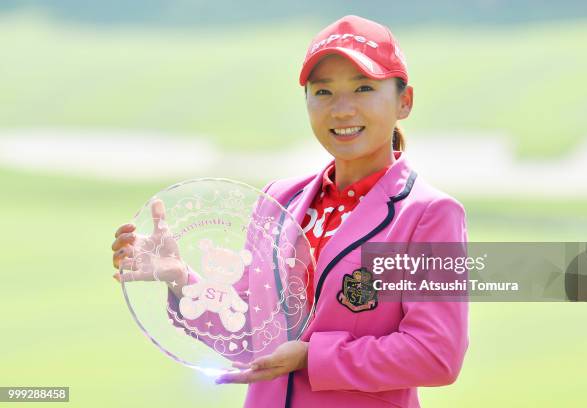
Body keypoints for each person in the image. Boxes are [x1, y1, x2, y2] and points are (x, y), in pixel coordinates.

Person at [111, 14, 468, 408]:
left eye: (363, 88)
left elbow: (436, 354)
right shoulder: (279, 199)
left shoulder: (430, 215)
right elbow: (248, 333)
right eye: (323, 92)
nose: (342, 110)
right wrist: (181, 280)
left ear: (405, 101)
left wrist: (313, 357)